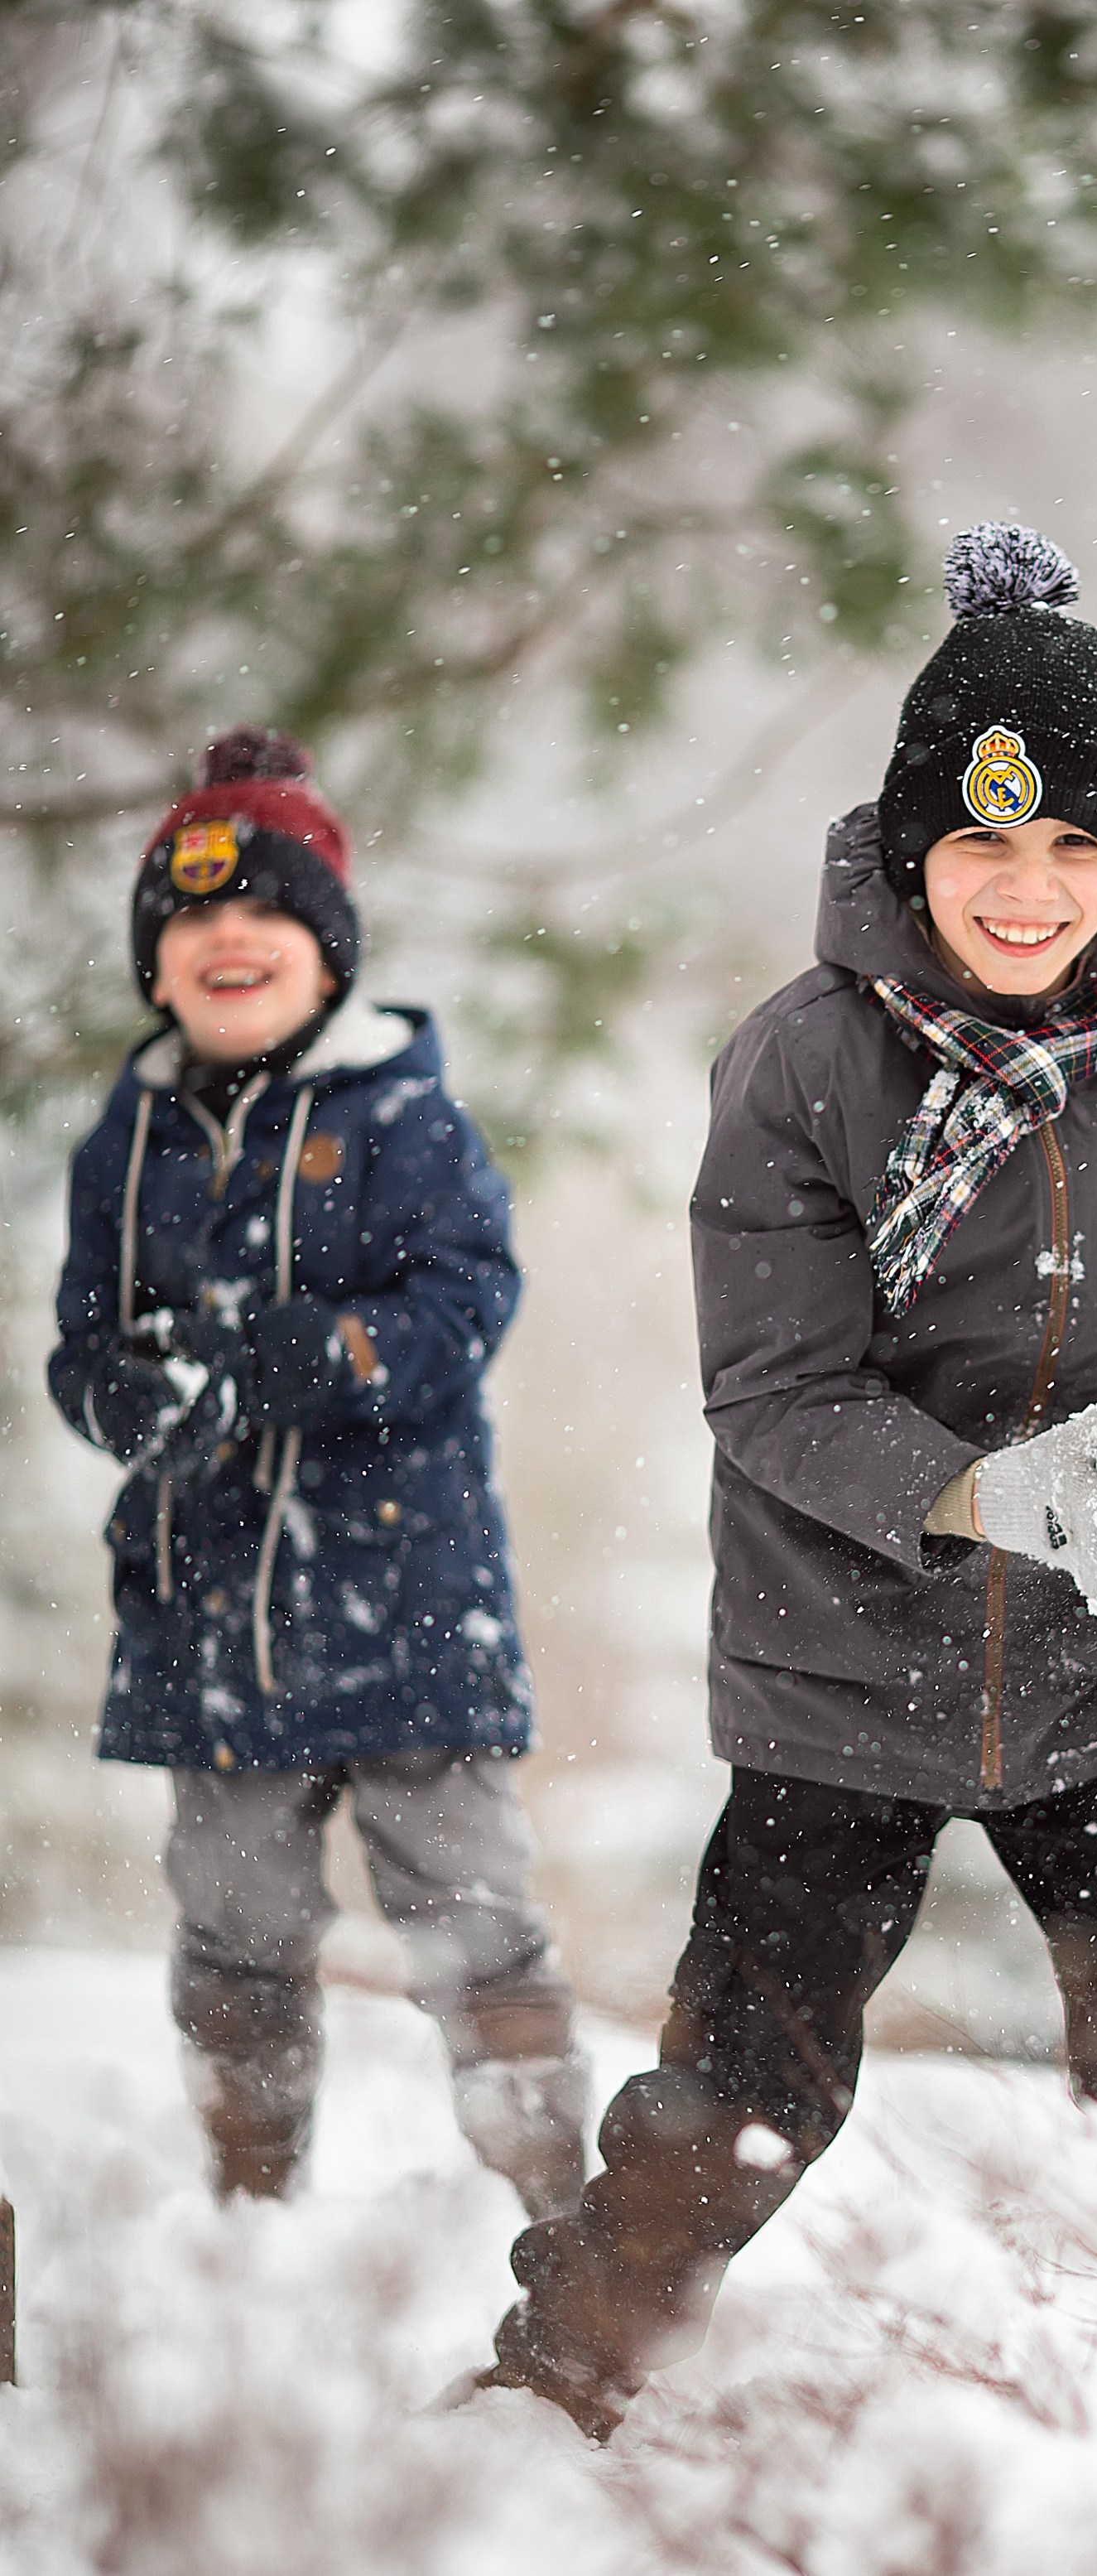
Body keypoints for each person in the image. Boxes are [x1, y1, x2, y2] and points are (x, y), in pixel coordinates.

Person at [481, 525, 1097, 2465]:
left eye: (1069, 851)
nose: (1026, 892)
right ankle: (556, 2389)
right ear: (907, 849)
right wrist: (983, 1497)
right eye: (980, 845)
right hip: (840, 1670)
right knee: (753, 2082)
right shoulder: (803, 1066)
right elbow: (771, 1388)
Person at [48, 727, 589, 2214]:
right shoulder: (130, 1132)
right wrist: (120, 1386)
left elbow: (460, 1306)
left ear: (329, 954)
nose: (230, 937)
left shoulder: (402, 1114)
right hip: (207, 1603)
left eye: (267, 915)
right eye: (193, 919)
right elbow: (82, 1336)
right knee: (232, 1919)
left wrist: (272, 1358)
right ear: (156, 964)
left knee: (468, 1908)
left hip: (402, 1592)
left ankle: (565, 2210)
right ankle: (251, 2197)